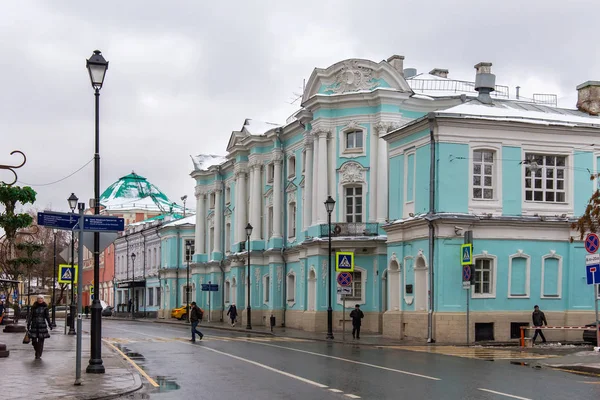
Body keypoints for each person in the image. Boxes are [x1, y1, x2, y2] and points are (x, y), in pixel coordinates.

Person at [27, 295, 52, 359]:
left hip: (42, 325)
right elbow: (31, 316)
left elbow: (47, 317)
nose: (40, 299)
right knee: (34, 340)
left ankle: (38, 354)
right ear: (37, 299)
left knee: (41, 341)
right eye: (39, 298)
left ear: (43, 300)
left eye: (41, 298)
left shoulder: (45, 307)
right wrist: (28, 323)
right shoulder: (34, 307)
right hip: (34, 325)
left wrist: (50, 324)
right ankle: (38, 351)